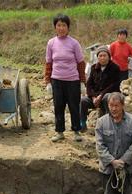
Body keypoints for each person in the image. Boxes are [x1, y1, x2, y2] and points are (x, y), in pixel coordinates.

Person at [95, 92, 132, 194]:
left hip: (126, 167)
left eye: (116, 106)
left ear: (122, 105)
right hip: (108, 167)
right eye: (111, 106)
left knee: (127, 193)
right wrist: (112, 161)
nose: (113, 109)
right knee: (109, 193)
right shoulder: (101, 122)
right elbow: (99, 145)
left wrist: (124, 161)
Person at [45, 14, 86, 143]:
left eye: (64, 25)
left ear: (68, 27)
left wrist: (82, 82)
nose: (61, 28)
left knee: (74, 106)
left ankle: (76, 131)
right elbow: (48, 63)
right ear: (55, 27)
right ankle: (60, 132)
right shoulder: (51, 43)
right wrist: (48, 82)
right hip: (56, 80)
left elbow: (80, 63)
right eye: (58, 25)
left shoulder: (74, 43)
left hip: (72, 80)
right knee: (58, 106)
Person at [80, 46, 120, 132]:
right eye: (100, 56)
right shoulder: (94, 67)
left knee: (107, 97)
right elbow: (89, 84)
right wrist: (94, 97)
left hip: (107, 95)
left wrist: (101, 96)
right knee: (83, 100)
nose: (102, 58)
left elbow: (114, 85)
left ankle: (107, 125)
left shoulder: (115, 68)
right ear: (97, 57)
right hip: (95, 97)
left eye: (104, 55)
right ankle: (82, 123)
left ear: (109, 57)